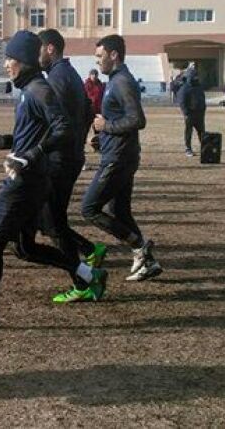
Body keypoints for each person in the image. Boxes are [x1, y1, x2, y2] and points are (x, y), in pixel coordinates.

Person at [0, 31, 106, 330]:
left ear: (23, 60)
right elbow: (32, 135)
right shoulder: (28, 90)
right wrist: (3, 142)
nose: (6, 64)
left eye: (10, 58)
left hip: (26, 182)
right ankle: (88, 275)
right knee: (24, 248)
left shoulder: (39, 90)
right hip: (32, 178)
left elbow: (64, 129)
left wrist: (29, 156)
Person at [80, 33, 161, 284]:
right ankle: (148, 262)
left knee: (89, 208)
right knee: (119, 211)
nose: (97, 61)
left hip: (118, 158)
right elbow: (120, 120)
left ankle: (139, 246)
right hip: (119, 153)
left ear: (113, 55)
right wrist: (102, 137)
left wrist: (106, 127)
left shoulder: (122, 81)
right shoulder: (115, 80)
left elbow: (137, 120)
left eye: (100, 56)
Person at [36, 29, 101, 292]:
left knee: (51, 222)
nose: (36, 56)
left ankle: (84, 280)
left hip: (59, 159)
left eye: (39, 50)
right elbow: (87, 112)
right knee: (52, 219)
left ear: (50, 48)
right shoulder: (68, 73)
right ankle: (89, 250)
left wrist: (39, 150)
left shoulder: (57, 79)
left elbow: (56, 124)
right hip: (69, 156)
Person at [177, 65, 206, 157]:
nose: (195, 78)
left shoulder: (199, 87)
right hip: (190, 114)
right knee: (188, 132)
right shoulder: (185, 88)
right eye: (193, 76)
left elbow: (202, 99)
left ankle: (205, 148)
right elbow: (182, 101)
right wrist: (186, 113)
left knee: (202, 132)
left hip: (199, 114)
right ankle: (188, 148)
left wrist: (203, 110)